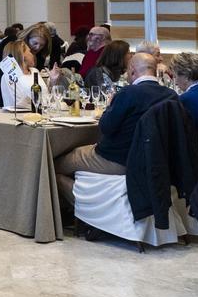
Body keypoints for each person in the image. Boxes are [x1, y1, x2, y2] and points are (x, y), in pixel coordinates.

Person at [55, 53, 176, 210]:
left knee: (54, 165)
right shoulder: (171, 96)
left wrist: (110, 106)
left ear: (132, 70)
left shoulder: (129, 93)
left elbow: (106, 127)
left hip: (118, 159)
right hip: (155, 159)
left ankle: (89, 209)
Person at [0, 40, 37, 110]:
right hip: (17, 117)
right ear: (22, 55)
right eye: (29, 52)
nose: (33, 55)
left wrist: (53, 81)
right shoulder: (9, 76)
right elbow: (19, 104)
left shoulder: (35, 71)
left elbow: (47, 96)